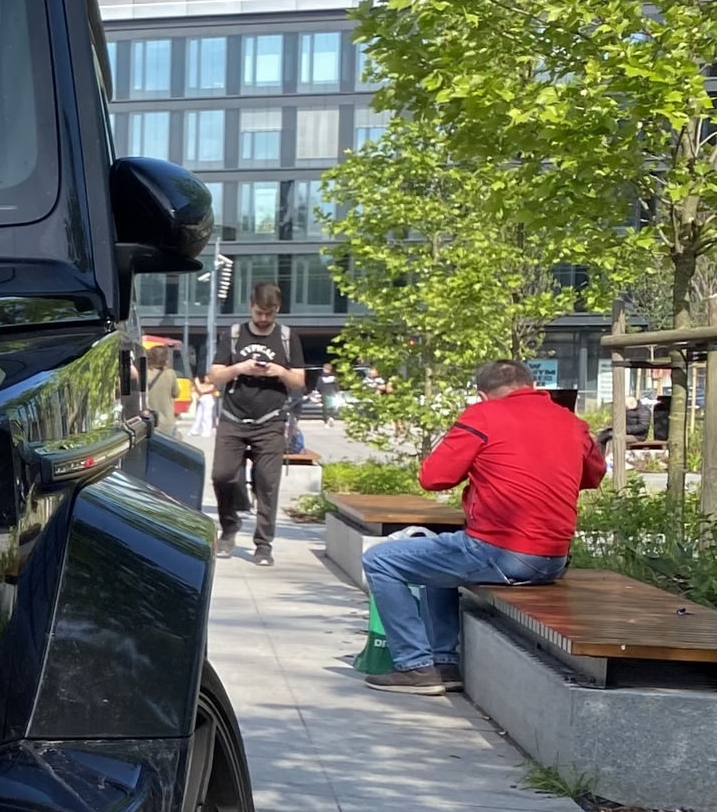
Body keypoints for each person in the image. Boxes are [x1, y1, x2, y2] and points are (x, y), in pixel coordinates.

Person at [360, 358, 606, 695]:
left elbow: (433, 478)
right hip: (554, 559)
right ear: (532, 385)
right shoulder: (571, 422)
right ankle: (444, 662)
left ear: (481, 394)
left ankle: (415, 665)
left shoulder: (483, 416)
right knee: (439, 557)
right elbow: (593, 476)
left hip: (502, 552)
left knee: (381, 560)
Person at [208, 282, 304, 565]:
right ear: (250, 306)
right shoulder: (234, 334)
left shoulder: (287, 337)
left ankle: (263, 545)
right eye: (260, 312)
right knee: (221, 475)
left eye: (269, 313)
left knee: (268, 485)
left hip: (271, 421)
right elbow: (214, 376)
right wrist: (240, 367)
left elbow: (299, 381)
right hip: (233, 418)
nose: (263, 319)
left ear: (277, 310)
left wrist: (278, 371)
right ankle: (229, 526)